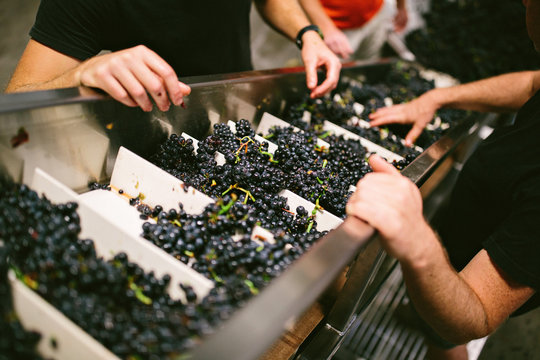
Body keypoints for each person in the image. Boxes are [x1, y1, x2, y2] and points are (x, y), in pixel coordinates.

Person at [346, 1, 540, 359]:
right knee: (431, 307)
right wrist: (439, 97)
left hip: (473, 277)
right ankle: (421, 316)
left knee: (446, 337)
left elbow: (475, 314)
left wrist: (417, 242)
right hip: (469, 231)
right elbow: (532, 84)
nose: (525, 4)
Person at [5, 0, 341, 112]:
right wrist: (81, 74)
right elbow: (17, 101)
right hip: (148, 142)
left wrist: (306, 33)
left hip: (233, 105)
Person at [250, 0, 407, 70]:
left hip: (372, 15)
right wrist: (324, 26)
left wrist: (401, 5)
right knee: (270, 75)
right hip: (308, 20)